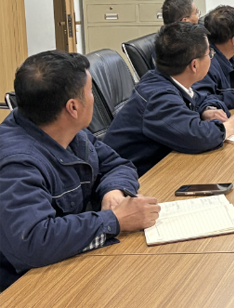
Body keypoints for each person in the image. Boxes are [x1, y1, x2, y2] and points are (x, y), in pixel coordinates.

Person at [0, 51, 160, 291]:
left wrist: (113, 191)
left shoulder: (68, 131)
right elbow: (33, 241)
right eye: (90, 92)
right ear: (73, 107)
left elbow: (117, 164)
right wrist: (115, 220)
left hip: (71, 262)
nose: (93, 98)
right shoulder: (17, 163)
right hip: (27, 286)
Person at [104, 22, 234, 176]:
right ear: (194, 65)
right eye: (209, 53)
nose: (211, 57)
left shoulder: (168, 80)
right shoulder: (158, 96)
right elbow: (196, 136)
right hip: (134, 179)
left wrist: (208, 110)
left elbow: (203, 98)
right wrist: (229, 127)